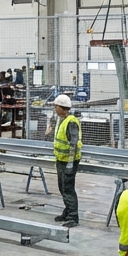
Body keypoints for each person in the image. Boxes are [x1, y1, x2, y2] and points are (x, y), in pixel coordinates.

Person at [52, 94, 81, 227]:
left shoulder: (71, 122)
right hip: (61, 160)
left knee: (68, 189)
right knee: (62, 187)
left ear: (62, 107)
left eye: (56, 106)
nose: (54, 108)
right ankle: (68, 211)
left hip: (68, 162)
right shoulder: (61, 119)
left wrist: (70, 163)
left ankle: (73, 217)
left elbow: (73, 144)